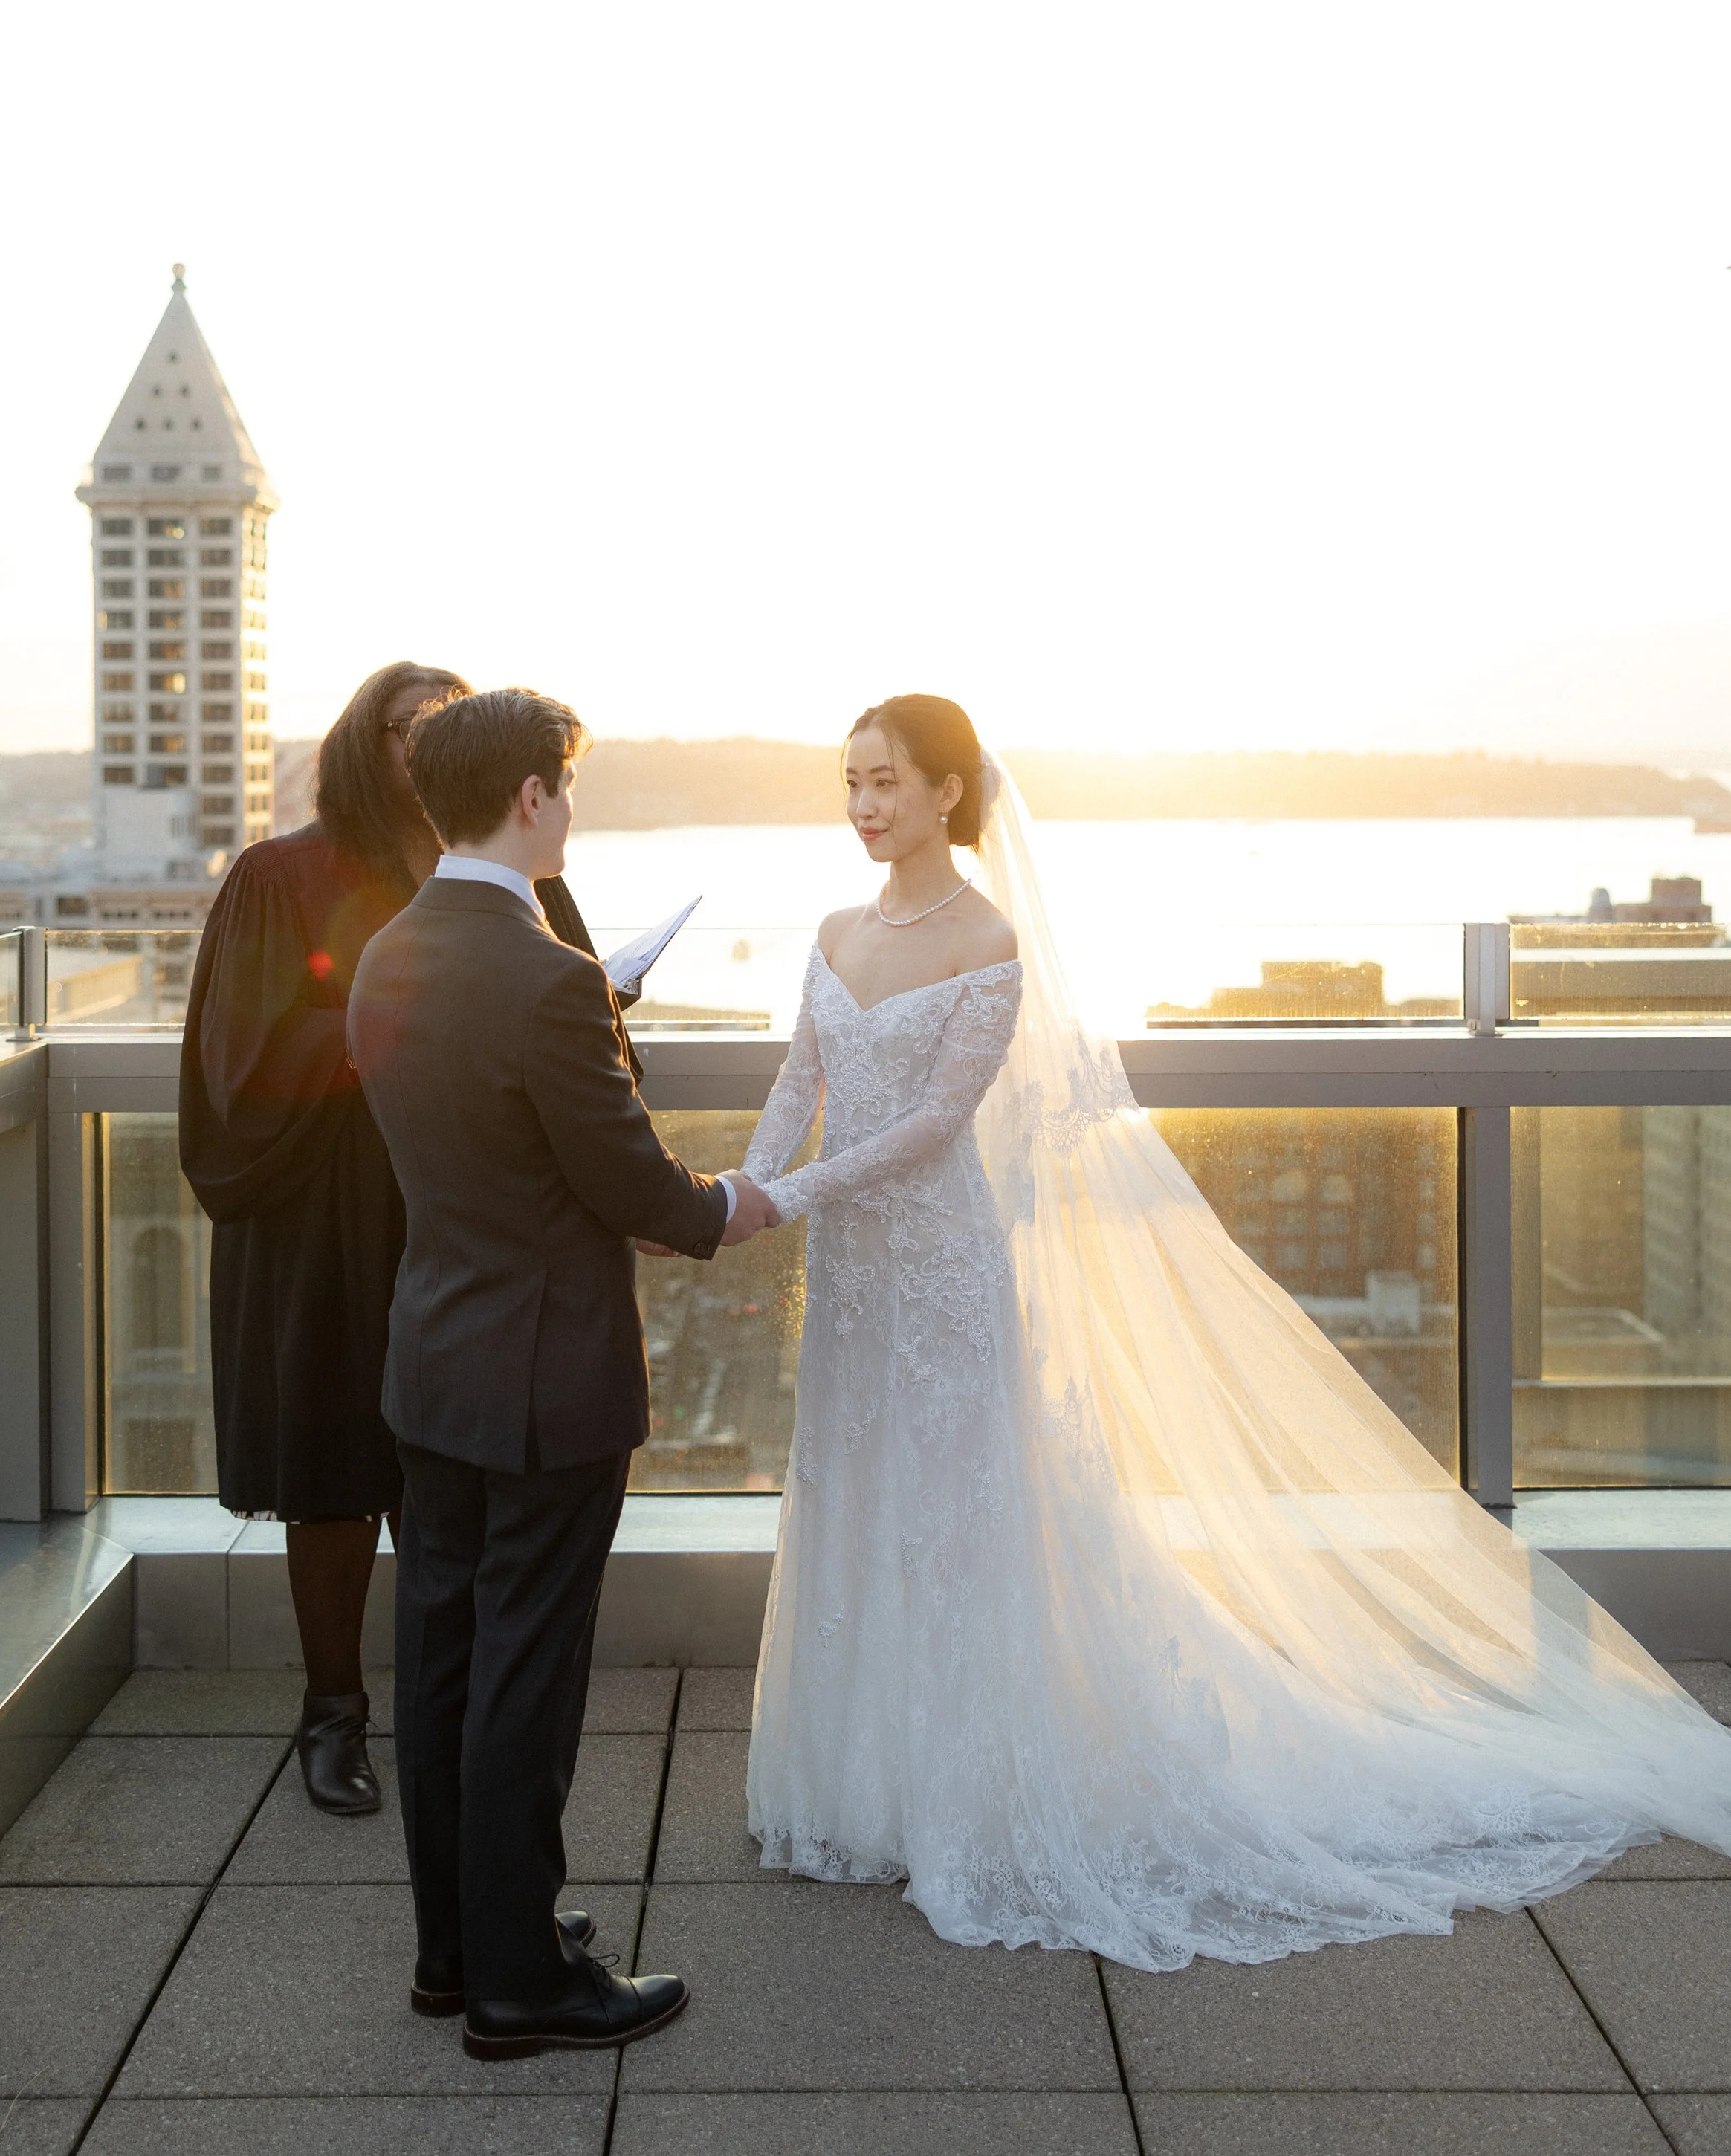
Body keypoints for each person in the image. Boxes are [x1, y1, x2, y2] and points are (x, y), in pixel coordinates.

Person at [739, 691, 1731, 1966]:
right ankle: (859, 1787)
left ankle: (966, 1792)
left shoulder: (988, 940)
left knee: (954, 1515)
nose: (866, 806)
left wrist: (779, 1194)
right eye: (851, 782)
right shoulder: (831, 930)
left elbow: (934, 1126)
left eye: (887, 781)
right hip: (855, 1281)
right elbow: (794, 1087)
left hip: (941, 1275)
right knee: (855, 1494)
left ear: (946, 792)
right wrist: (730, 1193)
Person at [348, 687, 778, 2059]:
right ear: (532, 796)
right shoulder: (549, 977)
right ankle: (525, 1985)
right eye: (570, 789)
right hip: (544, 1379)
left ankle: (458, 1948)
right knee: (526, 1680)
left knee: (445, 1661)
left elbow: (484, 1147)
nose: (573, 811)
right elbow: (630, 1178)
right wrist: (733, 1205)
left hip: (436, 1361)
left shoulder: (386, 953)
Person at [179, 658, 619, 1817]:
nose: (424, 744)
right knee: (333, 1469)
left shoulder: (511, 871)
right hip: (329, 1211)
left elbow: (587, 1026)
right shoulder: (283, 876)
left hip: (474, 1213)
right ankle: (333, 1715)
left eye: (444, 725)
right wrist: (397, 1025)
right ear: (359, 743)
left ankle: (465, 1712)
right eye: (404, 726)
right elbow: (243, 1058)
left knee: (460, 1478)